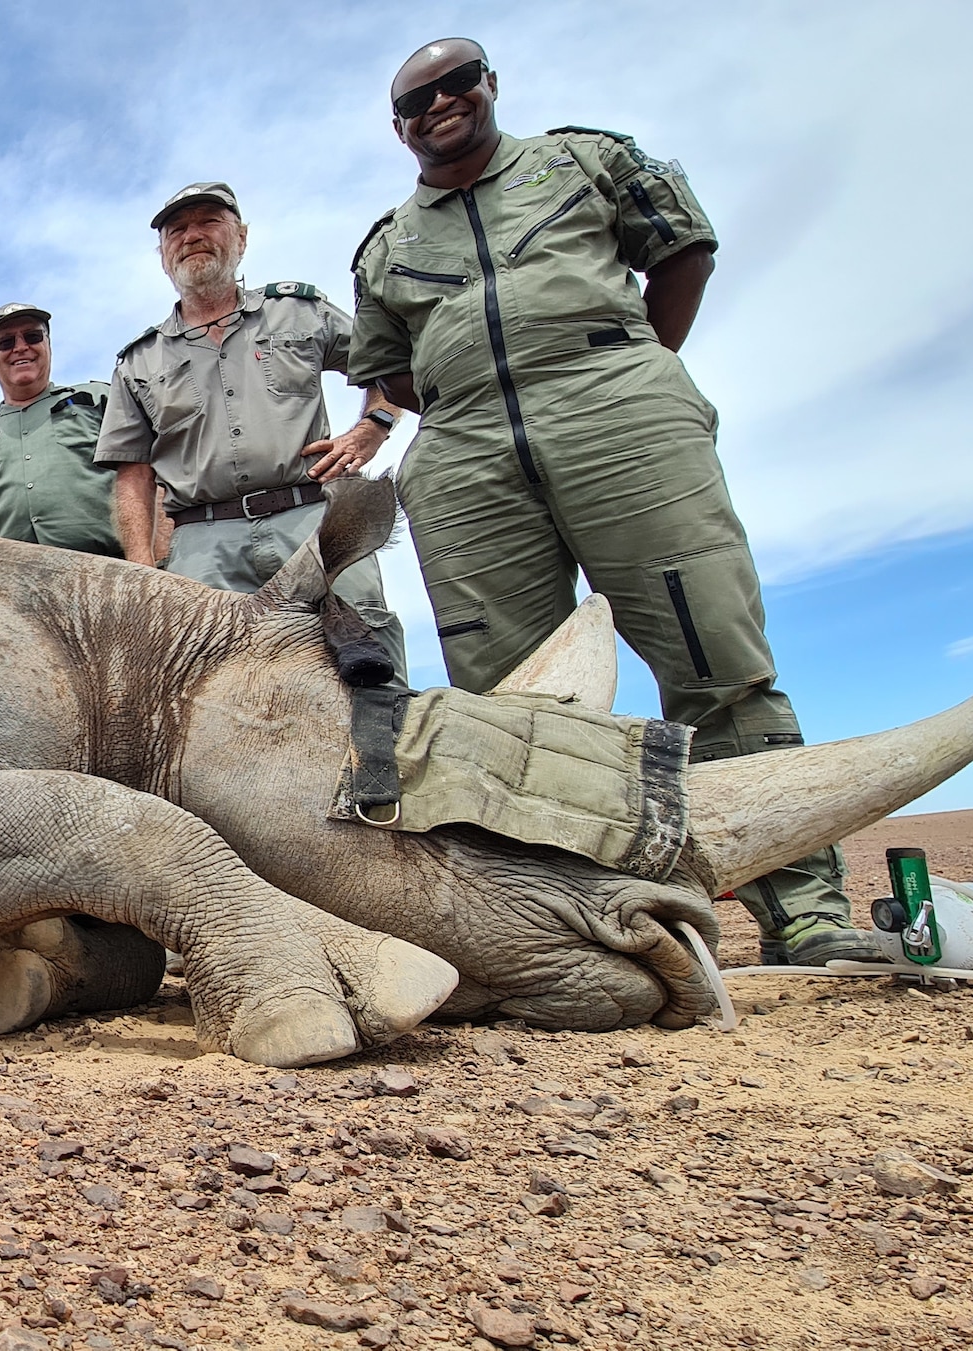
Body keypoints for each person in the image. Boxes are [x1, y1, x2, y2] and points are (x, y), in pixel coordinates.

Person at [348, 38, 864, 964]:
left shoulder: (583, 160)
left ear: (490, 85)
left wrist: (623, 368)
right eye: (416, 100)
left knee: (716, 657)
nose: (439, 104)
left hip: (616, 412)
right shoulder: (386, 248)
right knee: (513, 707)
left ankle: (809, 912)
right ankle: (572, 934)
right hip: (465, 455)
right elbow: (392, 373)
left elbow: (683, 252)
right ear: (399, 128)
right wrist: (482, 410)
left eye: (456, 82)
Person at [96, 182, 408, 672]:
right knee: (201, 678)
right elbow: (133, 473)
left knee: (368, 660)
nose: (193, 236)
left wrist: (374, 425)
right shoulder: (138, 361)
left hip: (313, 522)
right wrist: (141, 564)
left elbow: (387, 362)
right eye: (178, 229)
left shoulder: (300, 311)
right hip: (202, 542)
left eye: (209, 222)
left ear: (240, 237)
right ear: (162, 255)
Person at [0, 304, 119, 556]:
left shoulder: (100, 399)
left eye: (32, 336)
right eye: (6, 342)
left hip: (108, 572)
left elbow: (149, 476)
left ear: (48, 346)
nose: (20, 347)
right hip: (3, 582)